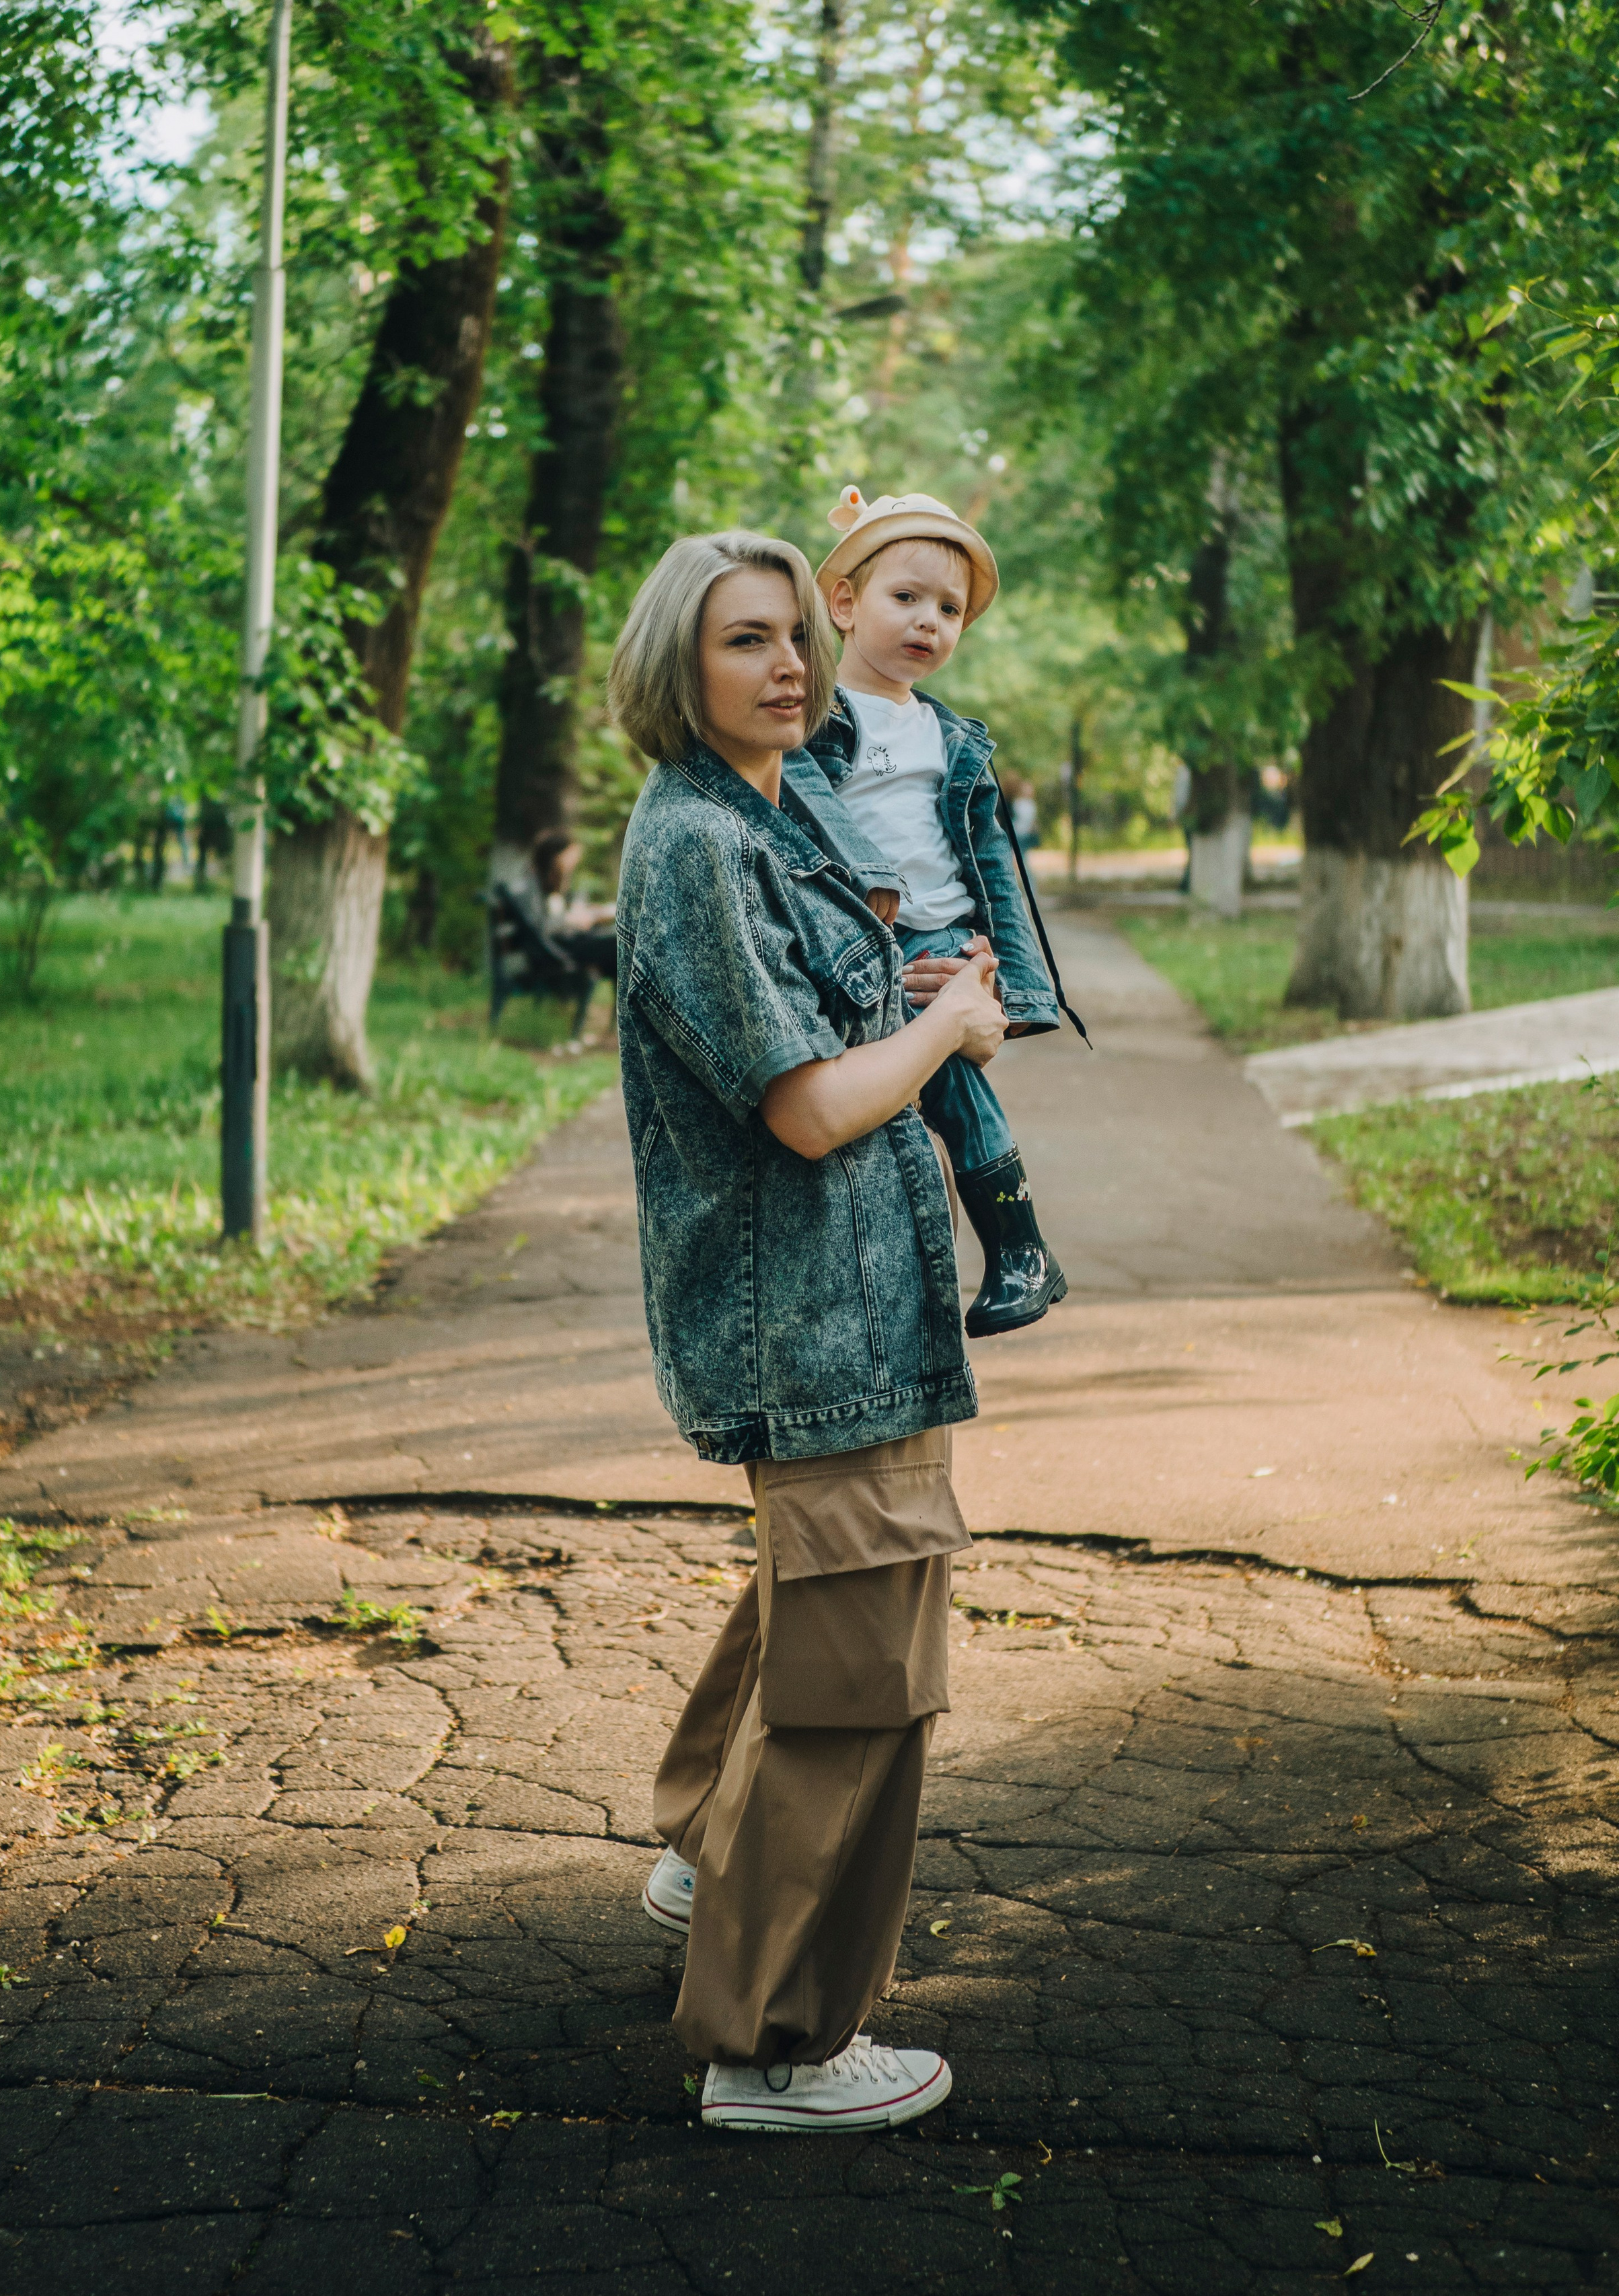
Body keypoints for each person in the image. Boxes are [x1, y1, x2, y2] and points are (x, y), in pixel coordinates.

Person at [610, 528, 1008, 2133]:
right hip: (812, 1321)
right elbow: (808, 1107)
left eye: (791, 633)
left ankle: (702, 1849)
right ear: (674, 670)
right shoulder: (698, 842)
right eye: (740, 641)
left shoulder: (780, 806)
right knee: (857, 1682)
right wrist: (943, 1026)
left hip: (859, 1307)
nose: (783, 664)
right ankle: (773, 2045)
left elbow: (850, 1008)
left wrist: (919, 986)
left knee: (819, 1626)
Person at [800, 486, 1067, 1337]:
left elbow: (991, 860)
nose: (929, 622)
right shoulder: (812, 720)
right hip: (855, 936)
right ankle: (994, 1254)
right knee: (905, 1090)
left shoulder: (952, 740)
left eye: (948, 609)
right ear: (844, 603)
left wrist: (1010, 988)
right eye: (905, 597)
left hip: (937, 932)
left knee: (945, 1064)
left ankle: (1019, 1244)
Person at [519, 828, 617, 981]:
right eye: (570, 857)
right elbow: (541, 926)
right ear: (556, 856)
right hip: (556, 952)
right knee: (617, 945)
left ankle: (621, 1003)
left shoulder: (552, 883)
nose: (574, 862)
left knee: (616, 939)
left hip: (567, 945)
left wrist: (586, 914)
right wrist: (573, 920)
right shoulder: (532, 885)